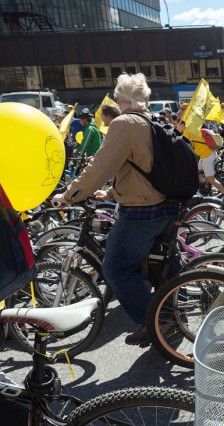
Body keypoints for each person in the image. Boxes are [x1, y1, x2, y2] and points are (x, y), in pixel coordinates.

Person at [52, 73, 181, 346]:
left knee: (115, 269)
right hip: (166, 205)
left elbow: (100, 166)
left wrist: (69, 195)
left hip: (141, 211)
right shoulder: (152, 120)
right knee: (163, 266)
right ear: (145, 98)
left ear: (121, 100)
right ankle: (172, 316)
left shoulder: (124, 123)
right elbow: (143, 169)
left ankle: (155, 321)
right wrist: (110, 193)